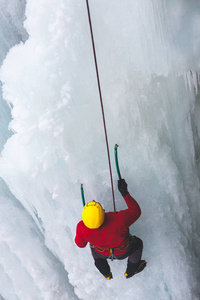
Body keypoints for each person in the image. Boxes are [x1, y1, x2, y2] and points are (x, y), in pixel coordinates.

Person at [75, 178, 146, 279]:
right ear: (103, 213)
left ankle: (106, 273)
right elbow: (136, 211)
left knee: (94, 251)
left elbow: (81, 245)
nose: (94, 201)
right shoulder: (119, 219)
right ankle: (131, 271)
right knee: (138, 244)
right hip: (123, 251)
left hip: (101, 253)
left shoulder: (82, 227)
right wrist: (125, 193)